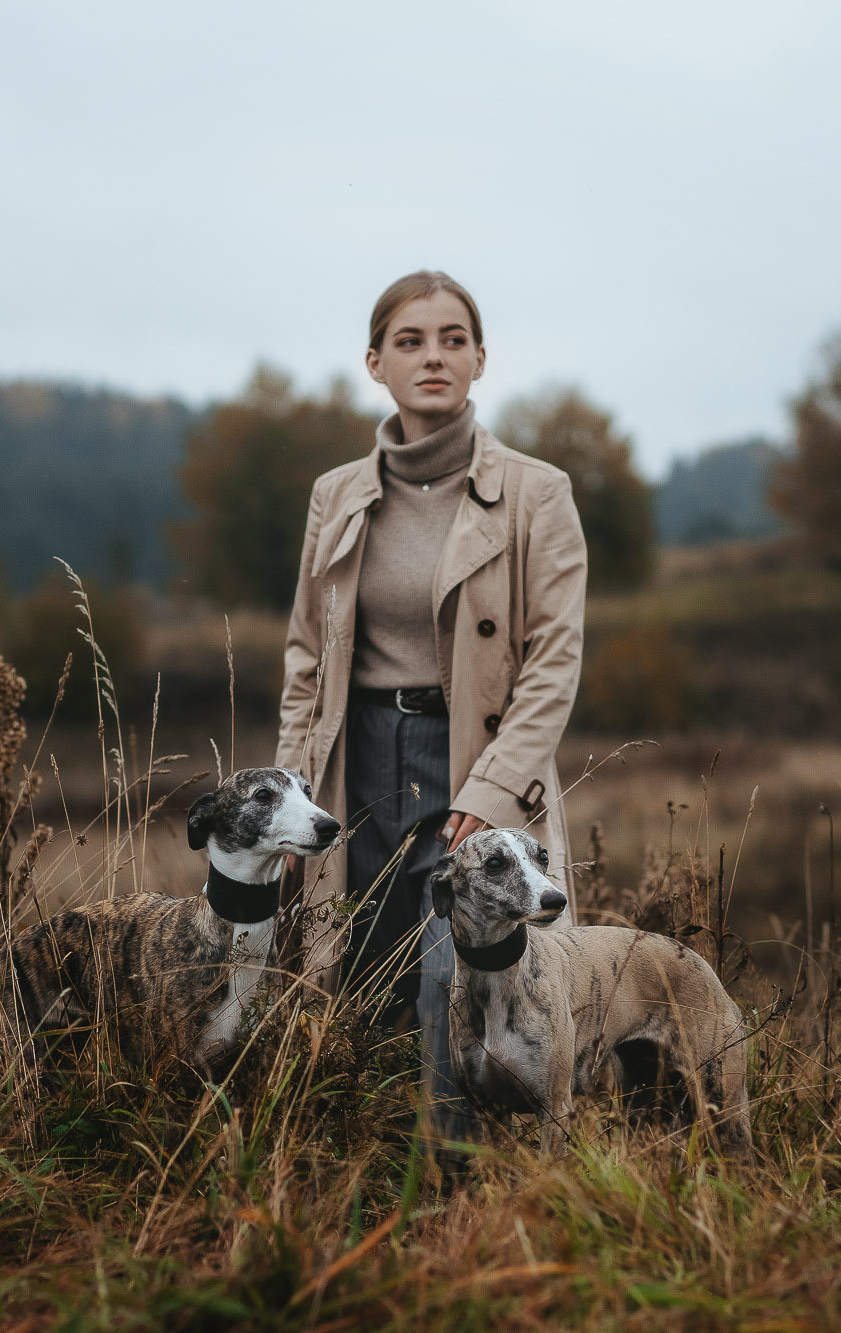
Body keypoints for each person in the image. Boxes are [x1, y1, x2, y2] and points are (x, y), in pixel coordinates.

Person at [274, 269, 587, 1136]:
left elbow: (554, 663)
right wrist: (293, 802)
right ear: (376, 362)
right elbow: (308, 657)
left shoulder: (537, 492)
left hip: (472, 763)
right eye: (410, 341)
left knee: (464, 976)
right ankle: (379, 1181)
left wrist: (490, 793)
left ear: (481, 358)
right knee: (361, 965)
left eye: (453, 339)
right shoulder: (335, 496)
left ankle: (468, 1189)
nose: (434, 356)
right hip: (356, 766)